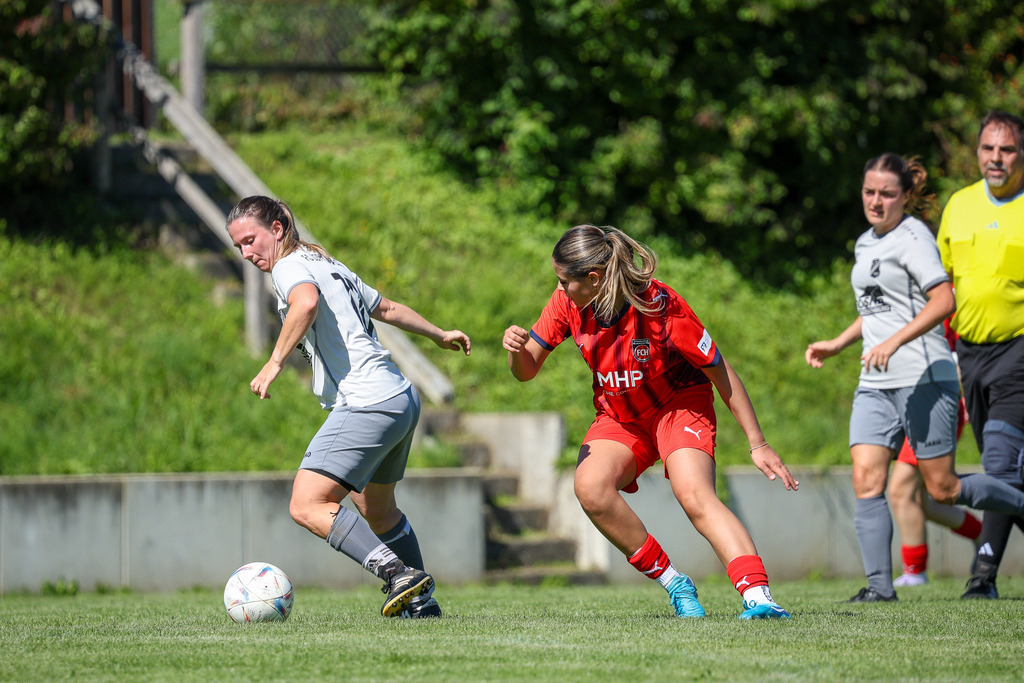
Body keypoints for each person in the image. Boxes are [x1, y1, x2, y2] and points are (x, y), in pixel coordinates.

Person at [503, 224, 799, 620]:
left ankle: (759, 597)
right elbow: (526, 371)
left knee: (693, 494)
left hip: (679, 404)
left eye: (563, 281)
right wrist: (515, 351)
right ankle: (675, 583)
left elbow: (720, 371)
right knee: (590, 488)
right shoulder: (566, 304)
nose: (558, 289)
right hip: (621, 415)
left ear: (593, 279)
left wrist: (757, 443)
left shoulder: (662, 305)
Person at [226, 195, 471, 618]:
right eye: (239, 247)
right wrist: (438, 334)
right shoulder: (329, 264)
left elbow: (305, 304)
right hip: (399, 397)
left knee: (306, 504)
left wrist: (273, 363)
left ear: (278, 229)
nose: (247, 253)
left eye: (251, 240)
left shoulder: (288, 268)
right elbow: (388, 308)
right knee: (375, 508)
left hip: (366, 402)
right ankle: (421, 602)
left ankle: (397, 573)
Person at [805, 152, 1024, 603]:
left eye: (887, 193)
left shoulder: (914, 238)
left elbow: (944, 301)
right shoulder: (866, 243)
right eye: (869, 192)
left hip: (925, 376)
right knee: (866, 479)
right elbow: (876, 311)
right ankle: (880, 589)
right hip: (875, 381)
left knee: (942, 488)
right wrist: (838, 342)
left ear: (905, 196)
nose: (876, 201)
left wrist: (896, 343)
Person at [937, 110, 1024, 600]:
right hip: (969, 354)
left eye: (1007, 149)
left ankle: (982, 575)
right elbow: (942, 288)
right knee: (1007, 469)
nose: (996, 158)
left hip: (1019, 352)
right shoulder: (960, 206)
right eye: (988, 148)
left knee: (1000, 463)